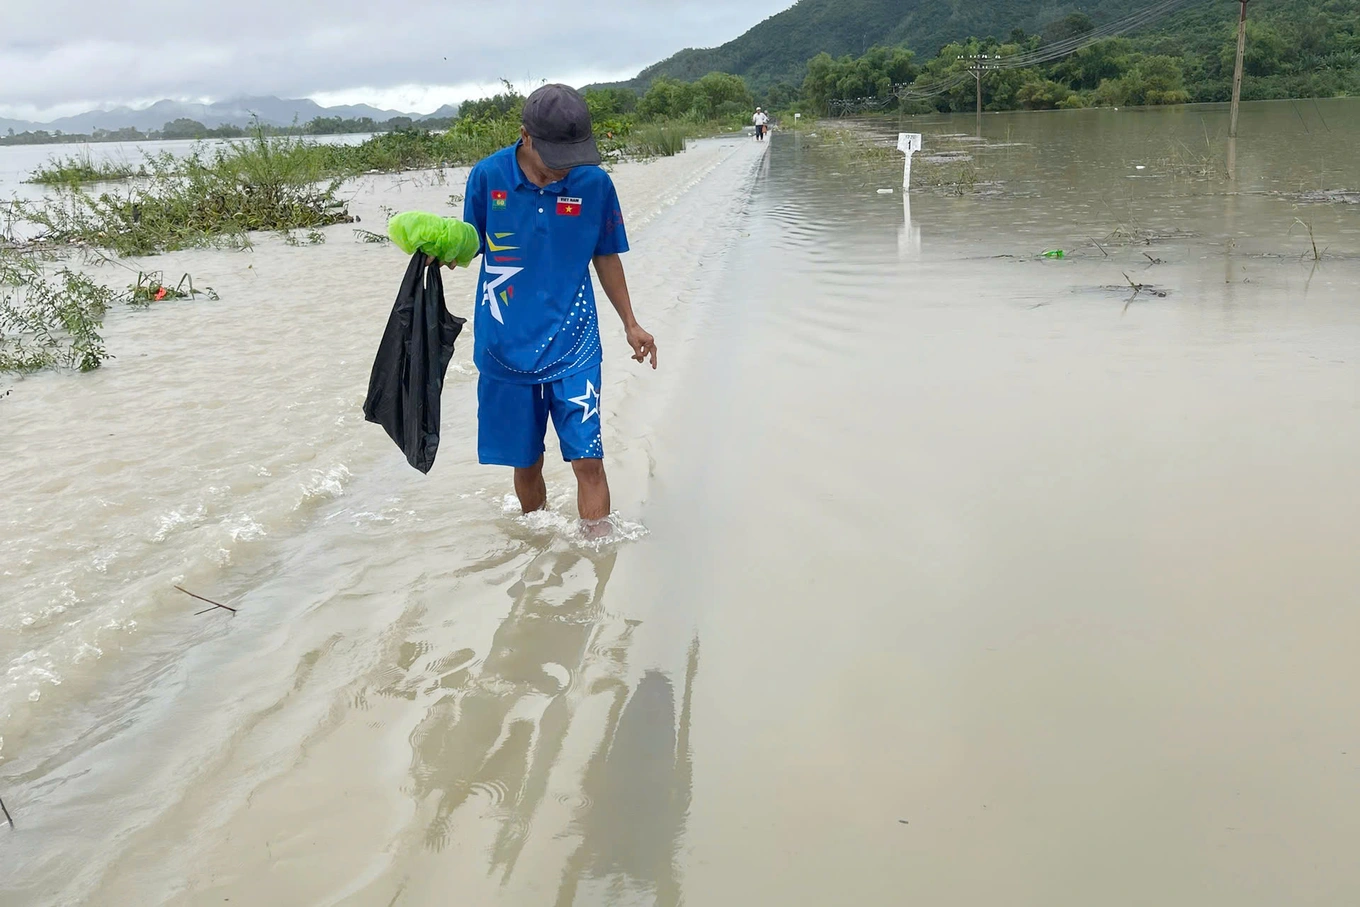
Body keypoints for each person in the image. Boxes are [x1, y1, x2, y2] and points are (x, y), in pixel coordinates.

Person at [446, 84, 657, 533]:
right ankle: (537, 552)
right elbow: (468, 244)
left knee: (589, 461)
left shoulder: (594, 184)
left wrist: (630, 323)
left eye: (573, 155)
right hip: (505, 347)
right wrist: (442, 251)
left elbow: (605, 254)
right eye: (556, 157)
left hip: (574, 343)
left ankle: (598, 564)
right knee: (527, 463)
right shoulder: (487, 177)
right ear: (526, 136)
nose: (565, 168)